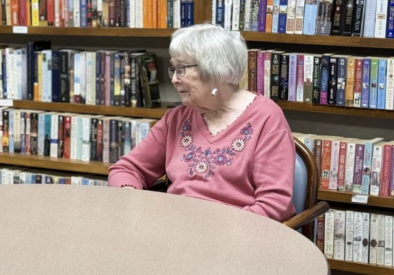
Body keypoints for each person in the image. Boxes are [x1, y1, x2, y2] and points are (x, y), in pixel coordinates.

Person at [108, 23, 295, 222]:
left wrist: (212, 231)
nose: (173, 79)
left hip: (236, 236)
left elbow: (275, 205)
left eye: (181, 69)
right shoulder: (177, 118)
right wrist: (131, 196)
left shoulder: (266, 119)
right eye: (173, 68)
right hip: (173, 231)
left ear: (217, 71)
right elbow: (127, 169)